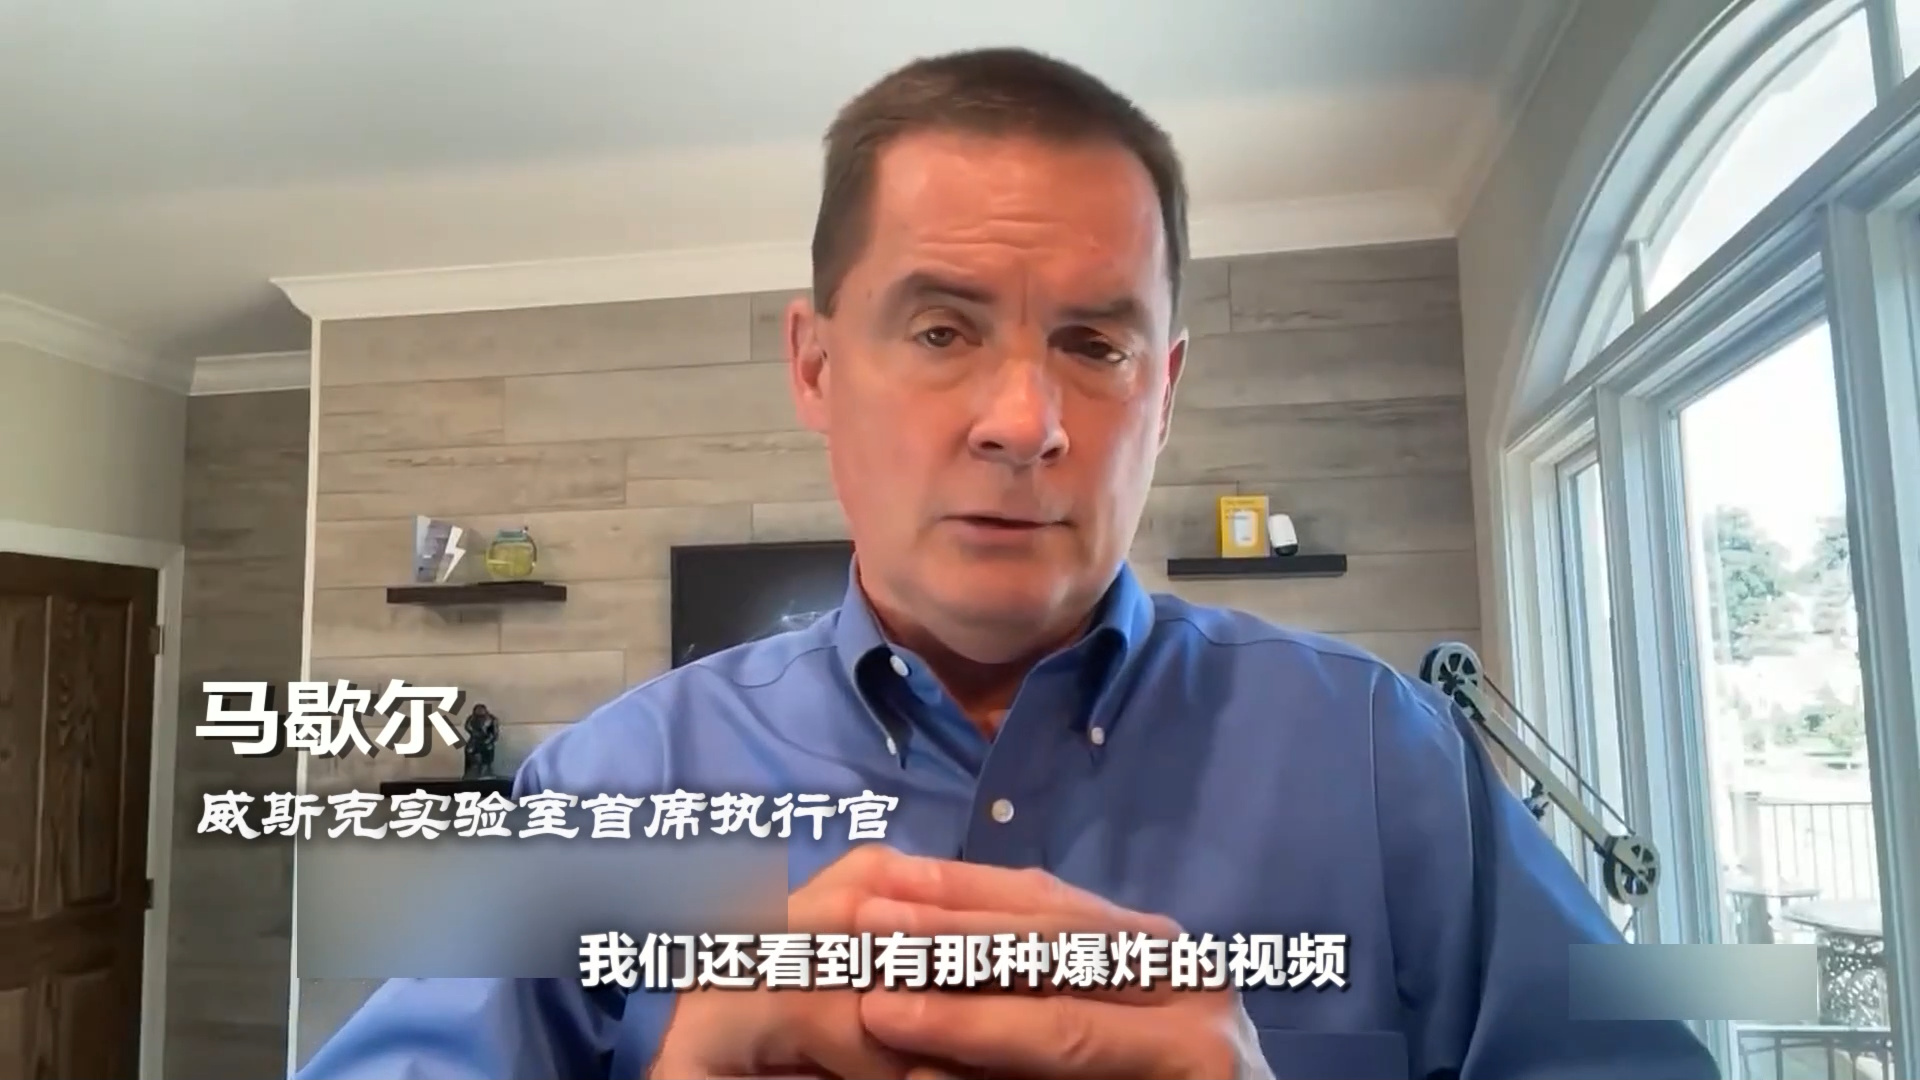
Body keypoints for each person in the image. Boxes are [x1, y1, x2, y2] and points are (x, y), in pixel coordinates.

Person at [299, 47, 1721, 1080]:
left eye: (1095, 346)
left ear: (1165, 393)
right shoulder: (605, 795)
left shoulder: (1387, 761)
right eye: (942, 330)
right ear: (815, 365)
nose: (1025, 420)